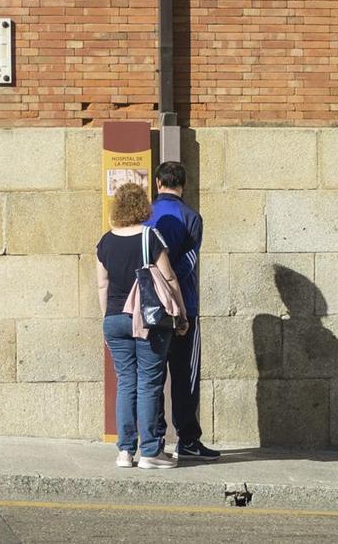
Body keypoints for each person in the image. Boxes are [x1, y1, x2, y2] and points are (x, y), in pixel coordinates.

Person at [97, 181, 187, 470]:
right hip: (149, 320)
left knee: (126, 382)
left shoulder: (105, 241)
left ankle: (124, 451)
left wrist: (108, 318)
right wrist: (181, 314)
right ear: (142, 207)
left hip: (114, 318)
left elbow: (102, 284)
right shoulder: (150, 236)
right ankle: (150, 451)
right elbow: (170, 278)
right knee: (149, 383)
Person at [146, 161, 220, 461]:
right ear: (184, 184)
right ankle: (188, 439)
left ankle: (155, 440)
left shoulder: (145, 214)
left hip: (147, 307)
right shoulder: (191, 217)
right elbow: (188, 264)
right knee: (184, 375)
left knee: (151, 374)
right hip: (183, 305)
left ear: (157, 182)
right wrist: (175, 296)